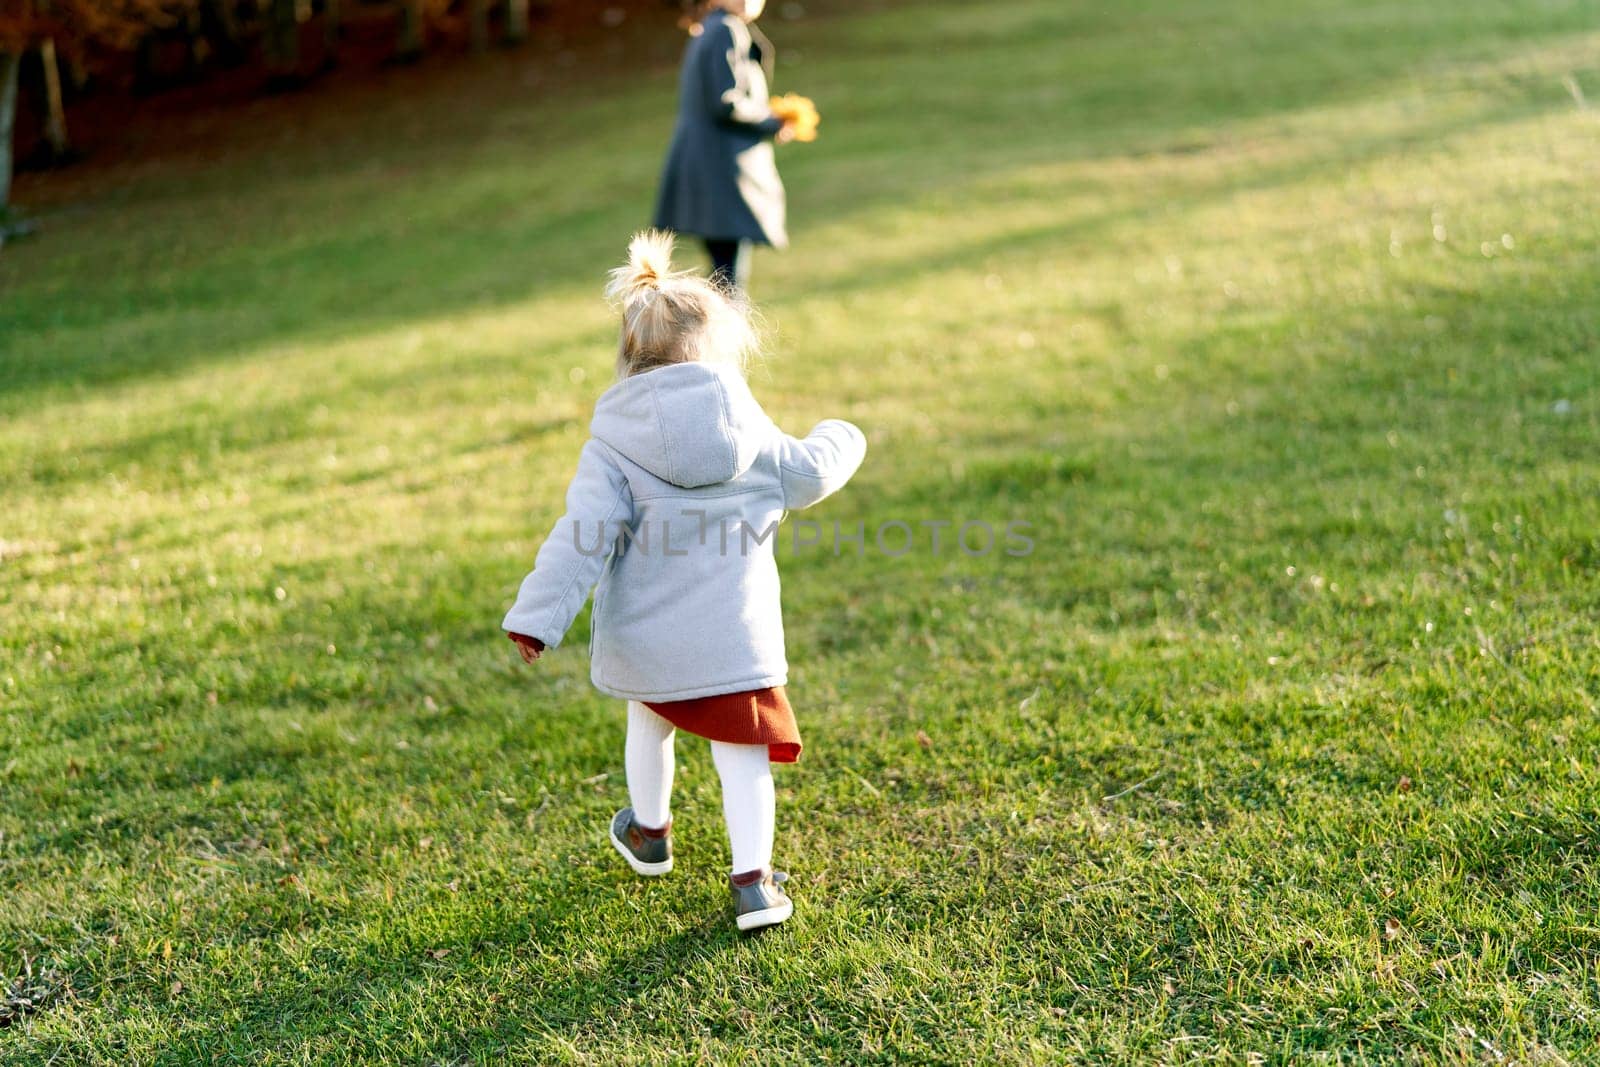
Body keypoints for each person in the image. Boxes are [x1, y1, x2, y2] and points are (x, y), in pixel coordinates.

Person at [502, 231, 866, 931]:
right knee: (742, 754)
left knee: (650, 717)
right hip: (735, 635)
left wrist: (537, 617)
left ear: (632, 355)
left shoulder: (612, 444)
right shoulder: (748, 426)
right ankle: (754, 883)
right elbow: (810, 470)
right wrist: (844, 432)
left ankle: (649, 832)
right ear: (717, 350)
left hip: (648, 639)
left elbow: (582, 537)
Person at [653, 0, 795, 291]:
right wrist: (774, 121)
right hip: (722, 170)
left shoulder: (711, 27)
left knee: (724, 271)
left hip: (708, 166)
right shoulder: (726, 29)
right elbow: (726, 101)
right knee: (728, 280)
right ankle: (723, 336)